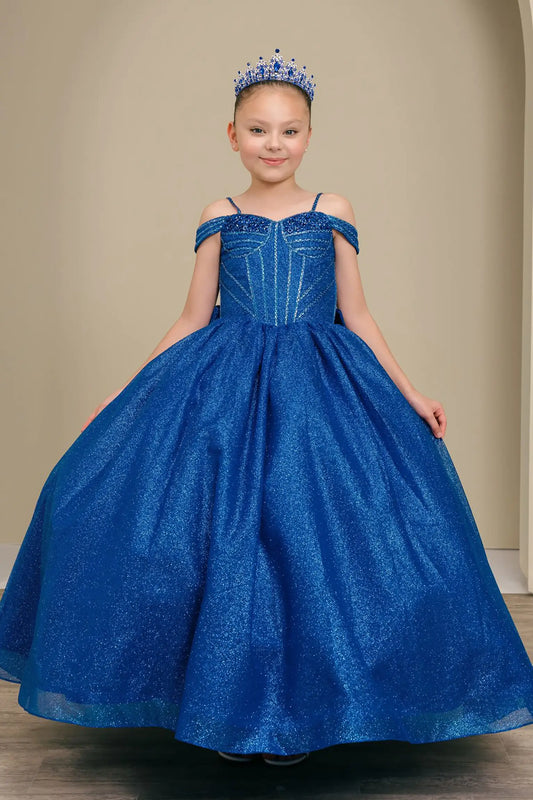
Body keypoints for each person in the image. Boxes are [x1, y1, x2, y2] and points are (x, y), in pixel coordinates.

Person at [1, 48, 533, 770]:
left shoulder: (332, 210)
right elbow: (192, 317)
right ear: (231, 136)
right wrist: (130, 387)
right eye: (257, 131)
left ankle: (301, 716)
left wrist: (411, 393)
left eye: (288, 131)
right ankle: (230, 709)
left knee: (319, 546)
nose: (273, 145)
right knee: (208, 544)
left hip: (322, 388)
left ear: (308, 136)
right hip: (222, 383)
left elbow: (359, 315)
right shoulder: (219, 214)